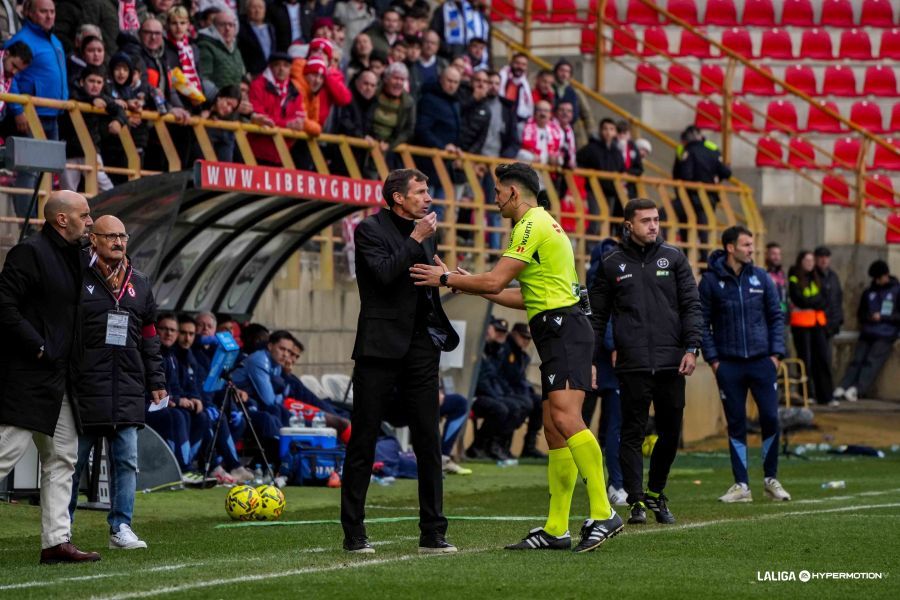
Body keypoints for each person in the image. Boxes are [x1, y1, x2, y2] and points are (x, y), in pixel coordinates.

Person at [411, 162, 623, 553]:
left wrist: (446, 279)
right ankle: (556, 528)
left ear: (513, 192)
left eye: (497, 190)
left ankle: (603, 510)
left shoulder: (531, 225)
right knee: (554, 426)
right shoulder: (541, 224)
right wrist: (464, 283)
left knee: (565, 417)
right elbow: (522, 296)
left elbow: (494, 280)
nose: (493, 198)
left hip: (564, 329)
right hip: (557, 327)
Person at [341, 168, 460, 555]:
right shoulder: (370, 230)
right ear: (397, 198)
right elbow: (383, 276)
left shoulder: (426, 232)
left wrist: (443, 277)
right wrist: (415, 239)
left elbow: (423, 281)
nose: (428, 198)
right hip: (379, 348)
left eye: (428, 191)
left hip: (421, 347)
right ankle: (354, 533)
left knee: (429, 438)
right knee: (364, 440)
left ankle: (433, 532)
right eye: (421, 191)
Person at [0, 191, 100, 564]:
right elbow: (4, 307)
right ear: (62, 219)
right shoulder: (29, 253)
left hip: (61, 380)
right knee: (4, 452)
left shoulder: (78, 257)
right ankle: (56, 541)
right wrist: (38, 347)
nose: (90, 221)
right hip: (28, 377)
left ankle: (56, 542)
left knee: (62, 458)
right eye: (85, 215)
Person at [589, 198, 703, 526]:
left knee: (670, 432)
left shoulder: (675, 258)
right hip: (632, 363)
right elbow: (596, 316)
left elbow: (692, 305)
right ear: (629, 225)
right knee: (632, 433)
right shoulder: (611, 263)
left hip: (671, 363)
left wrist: (692, 348)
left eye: (656, 219)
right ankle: (635, 500)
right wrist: (591, 359)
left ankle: (656, 492)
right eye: (646, 221)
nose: (653, 226)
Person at [68, 215, 167, 550]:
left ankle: (121, 527)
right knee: (72, 464)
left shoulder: (140, 281)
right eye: (110, 236)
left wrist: (157, 379)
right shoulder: (76, 276)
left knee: (126, 462)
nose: (118, 242)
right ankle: (60, 529)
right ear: (93, 239)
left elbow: (150, 337)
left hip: (127, 386)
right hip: (85, 387)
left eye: (122, 236)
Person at [699, 226, 791, 504]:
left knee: (770, 418)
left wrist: (775, 354)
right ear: (730, 247)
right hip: (728, 365)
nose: (752, 249)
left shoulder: (762, 277)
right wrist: (714, 361)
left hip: (763, 361)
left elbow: (777, 317)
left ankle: (770, 479)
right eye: (747, 244)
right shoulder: (710, 282)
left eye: (752, 244)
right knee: (736, 423)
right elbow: (702, 323)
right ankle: (741, 485)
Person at [7, 0, 69, 218]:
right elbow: (8, 75)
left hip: (53, 114)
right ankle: (29, 222)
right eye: (43, 11)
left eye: (52, 11)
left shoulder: (54, 40)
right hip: (33, 115)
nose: (49, 16)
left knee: (49, 173)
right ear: (30, 13)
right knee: (30, 172)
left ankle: (42, 220)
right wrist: (17, 109)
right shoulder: (22, 39)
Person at [582, 238, 626, 506]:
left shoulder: (592, 286)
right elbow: (599, 320)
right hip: (597, 362)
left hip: (599, 362)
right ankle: (610, 482)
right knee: (588, 426)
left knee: (607, 426)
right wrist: (613, 344)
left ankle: (612, 482)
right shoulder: (594, 287)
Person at [834, 260, 899, 403]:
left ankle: (858, 388)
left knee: (871, 362)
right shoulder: (869, 292)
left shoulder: (896, 291)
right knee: (857, 360)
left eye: (879, 278)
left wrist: (884, 317)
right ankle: (844, 386)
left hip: (886, 334)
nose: (877, 281)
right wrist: (869, 317)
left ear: (886, 276)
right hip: (868, 331)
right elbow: (861, 313)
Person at [58, 64, 126, 193]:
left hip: (91, 150)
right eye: (91, 81)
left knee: (105, 187)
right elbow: (75, 96)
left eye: (99, 82)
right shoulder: (72, 93)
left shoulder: (103, 98)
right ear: (82, 82)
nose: (95, 85)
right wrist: (91, 100)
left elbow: (119, 110)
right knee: (67, 192)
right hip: (69, 152)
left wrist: (119, 121)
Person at [788, 250, 835, 405]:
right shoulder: (794, 277)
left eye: (811, 260)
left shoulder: (817, 278)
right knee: (805, 360)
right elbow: (799, 299)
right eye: (806, 260)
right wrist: (812, 302)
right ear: (800, 261)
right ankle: (807, 394)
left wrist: (811, 302)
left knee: (822, 358)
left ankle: (826, 396)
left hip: (817, 323)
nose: (810, 263)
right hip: (801, 325)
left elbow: (824, 298)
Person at [503, 322, 546, 459]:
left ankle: (529, 447)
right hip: (506, 391)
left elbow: (520, 379)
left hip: (517, 391)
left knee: (540, 401)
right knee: (522, 403)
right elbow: (507, 376)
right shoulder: (506, 350)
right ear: (513, 334)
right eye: (523, 337)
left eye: (528, 338)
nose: (526, 341)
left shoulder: (523, 356)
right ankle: (503, 446)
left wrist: (528, 390)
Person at [576, 118, 625, 232]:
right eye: (605, 129)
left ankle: (603, 249)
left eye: (611, 129)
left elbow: (621, 169)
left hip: (611, 192)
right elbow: (578, 161)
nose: (608, 132)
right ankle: (591, 248)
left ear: (615, 132)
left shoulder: (617, 152)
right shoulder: (591, 148)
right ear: (600, 131)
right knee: (595, 221)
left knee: (607, 223)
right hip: (594, 190)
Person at [198, 7, 246, 91]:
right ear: (214, 27)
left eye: (231, 25)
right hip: (218, 100)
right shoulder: (205, 47)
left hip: (236, 98)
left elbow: (242, 75)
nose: (227, 29)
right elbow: (204, 80)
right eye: (222, 24)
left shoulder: (235, 48)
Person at [552, 58, 594, 149]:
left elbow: (587, 114)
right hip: (553, 130)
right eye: (561, 70)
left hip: (574, 132)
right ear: (556, 72)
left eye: (567, 71)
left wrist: (591, 133)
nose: (564, 74)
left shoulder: (576, 93)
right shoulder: (549, 89)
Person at [815, 246, 844, 367]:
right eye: (821, 257)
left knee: (827, 360)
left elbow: (838, 299)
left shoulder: (833, 276)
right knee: (818, 360)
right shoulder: (813, 276)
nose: (824, 260)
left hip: (831, 324)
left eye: (826, 257)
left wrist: (838, 320)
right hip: (819, 325)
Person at [238, 0, 276, 76]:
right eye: (254, 7)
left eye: (260, 7)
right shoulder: (242, 30)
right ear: (247, 10)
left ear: (265, 10)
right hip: (253, 73)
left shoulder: (270, 28)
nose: (257, 11)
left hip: (270, 71)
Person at [498, 53, 532, 126]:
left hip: (517, 119)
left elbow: (529, 105)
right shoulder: (502, 76)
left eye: (523, 64)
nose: (520, 67)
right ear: (511, 63)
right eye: (517, 63)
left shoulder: (524, 83)